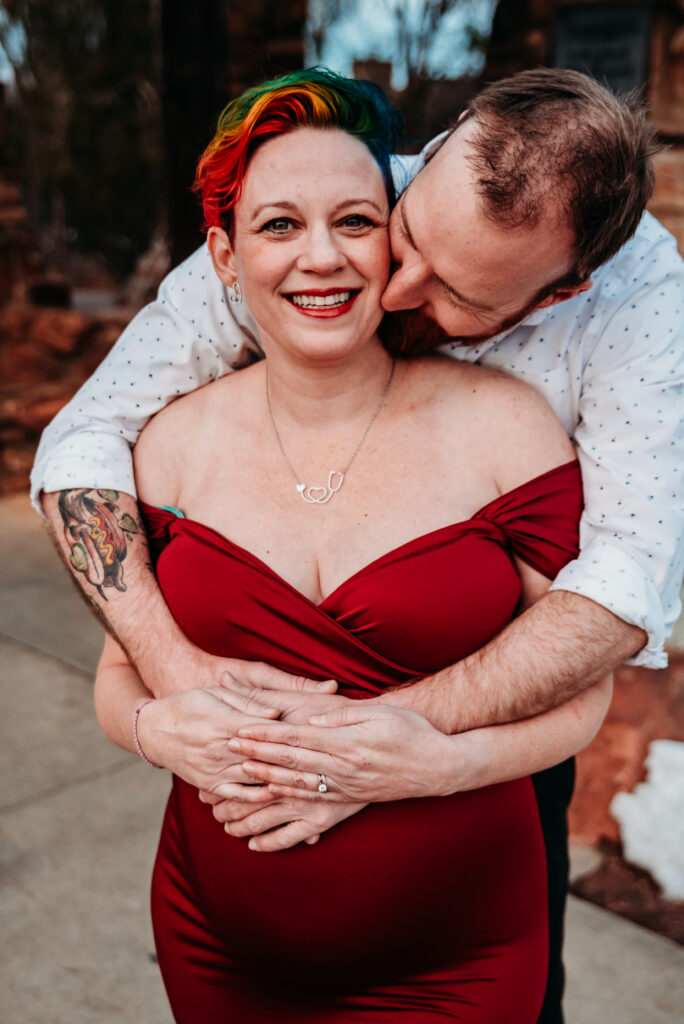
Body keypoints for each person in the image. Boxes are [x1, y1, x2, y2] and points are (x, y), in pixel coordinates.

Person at [31, 67, 684, 1023]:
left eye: (457, 291)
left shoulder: (630, 309)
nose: (392, 281)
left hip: (464, 902)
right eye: (407, 232)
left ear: (557, 294)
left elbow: (624, 584)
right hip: (224, 951)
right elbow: (85, 446)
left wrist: (402, 755)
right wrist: (165, 693)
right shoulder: (333, 198)